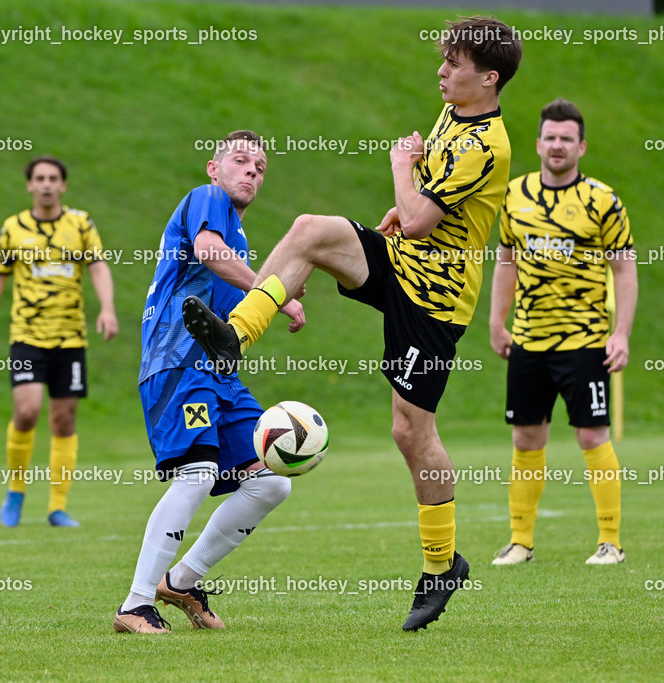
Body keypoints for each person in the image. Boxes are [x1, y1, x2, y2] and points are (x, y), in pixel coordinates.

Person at [182, 16, 522, 631]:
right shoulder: (454, 113)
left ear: (489, 77)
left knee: (410, 433)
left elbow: (422, 216)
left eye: (454, 64)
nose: (441, 71)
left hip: (435, 302)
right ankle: (238, 332)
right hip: (404, 263)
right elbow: (429, 212)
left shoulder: (486, 142)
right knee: (312, 229)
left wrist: (402, 167)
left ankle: (442, 565)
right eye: (442, 60)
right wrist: (410, 199)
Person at [114, 130, 306, 634]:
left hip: (219, 373)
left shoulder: (239, 241)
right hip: (177, 363)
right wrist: (277, 291)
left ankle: (181, 581)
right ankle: (135, 605)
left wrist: (272, 292)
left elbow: (234, 314)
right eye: (241, 160)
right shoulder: (207, 201)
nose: (251, 171)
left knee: (271, 481)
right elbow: (206, 250)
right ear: (212, 167)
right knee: (196, 475)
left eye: (260, 168)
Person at [489, 98, 637, 566]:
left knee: (592, 436)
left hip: (585, 340)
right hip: (529, 340)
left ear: (581, 146)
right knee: (526, 439)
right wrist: (497, 319)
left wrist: (621, 334)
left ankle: (610, 542)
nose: (557, 145)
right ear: (538, 144)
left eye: (566, 139)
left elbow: (625, 269)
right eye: (550, 137)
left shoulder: (603, 201)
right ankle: (520, 543)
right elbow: (506, 261)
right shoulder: (515, 195)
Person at [0, 155, 118, 528]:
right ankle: (15, 492)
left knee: (63, 420)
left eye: (53, 178)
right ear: (29, 185)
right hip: (27, 337)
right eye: (40, 178)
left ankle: (57, 507)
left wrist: (107, 308)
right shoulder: (13, 228)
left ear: (63, 185)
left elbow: (98, 266)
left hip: (70, 338)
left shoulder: (80, 224)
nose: (46, 184)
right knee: (27, 411)